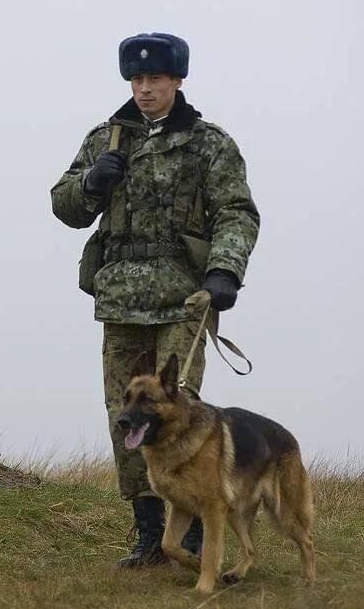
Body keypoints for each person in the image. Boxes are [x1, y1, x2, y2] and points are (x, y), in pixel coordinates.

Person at [50, 32, 260, 568]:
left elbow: (236, 211)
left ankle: (194, 530)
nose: (145, 89)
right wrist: (91, 182)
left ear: (178, 80)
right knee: (125, 414)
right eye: (137, 79)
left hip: (183, 298)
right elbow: (65, 206)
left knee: (181, 409)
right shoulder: (107, 138)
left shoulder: (208, 143)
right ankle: (149, 535)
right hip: (120, 299)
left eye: (156, 79)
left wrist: (225, 271)